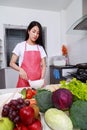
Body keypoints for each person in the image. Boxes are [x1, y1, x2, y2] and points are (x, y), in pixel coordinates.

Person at [10, 21, 47, 88]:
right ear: (28, 31)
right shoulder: (20, 46)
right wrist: (20, 69)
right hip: (23, 82)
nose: (35, 35)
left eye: (38, 33)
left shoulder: (40, 48)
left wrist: (41, 79)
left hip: (37, 83)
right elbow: (12, 63)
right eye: (33, 31)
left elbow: (44, 66)